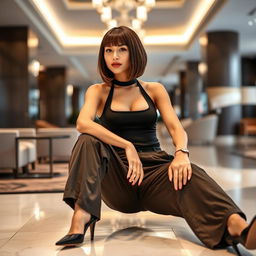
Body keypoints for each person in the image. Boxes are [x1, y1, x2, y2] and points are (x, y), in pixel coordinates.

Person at [55, 26, 255, 254]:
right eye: (108, 51)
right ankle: (81, 216)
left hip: (155, 172)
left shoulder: (155, 90)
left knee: (193, 173)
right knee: (87, 140)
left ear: (135, 53)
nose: (115, 57)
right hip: (118, 175)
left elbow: (176, 128)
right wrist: (126, 146)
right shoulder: (97, 91)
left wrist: (181, 153)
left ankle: (241, 230)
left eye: (122, 49)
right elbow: (83, 123)